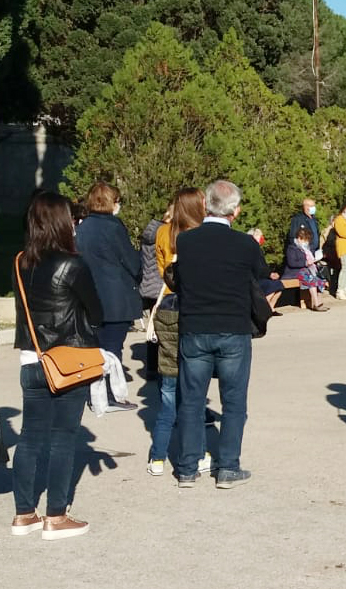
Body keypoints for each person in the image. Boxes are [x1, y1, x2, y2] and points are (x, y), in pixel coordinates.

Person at [12, 192, 103, 539]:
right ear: (64, 222)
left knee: (30, 437)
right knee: (64, 438)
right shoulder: (73, 264)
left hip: (31, 358)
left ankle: (23, 514)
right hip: (67, 360)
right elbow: (97, 312)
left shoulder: (21, 261)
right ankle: (56, 515)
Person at [173, 179, 267, 488]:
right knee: (234, 401)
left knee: (191, 400)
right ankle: (228, 467)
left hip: (195, 327)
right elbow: (260, 278)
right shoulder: (245, 245)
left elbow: (179, 279)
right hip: (233, 328)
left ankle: (187, 468)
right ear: (236, 212)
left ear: (204, 205)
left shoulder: (185, 242)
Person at [146, 187, 212, 478]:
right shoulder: (201, 234)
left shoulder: (163, 233)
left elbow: (164, 271)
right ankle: (198, 452)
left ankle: (157, 457)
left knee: (168, 398)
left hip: (169, 302)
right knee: (194, 399)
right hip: (196, 303)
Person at [75, 182, 141, 411]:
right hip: (115, 297)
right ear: (111, 202)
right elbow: (131, 261)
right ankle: (110, 395)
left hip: (90, 295)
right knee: (113, 349)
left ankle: (93, 393)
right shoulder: (114, 227)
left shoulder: (82, 227)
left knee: (95, 347)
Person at [138, 201, 172, 379]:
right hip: (162, 284)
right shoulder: (166, 234)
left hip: (150, 284)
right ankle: (161, 366)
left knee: (153, 328)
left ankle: (151, 366)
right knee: (166, 329)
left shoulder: (149, 233)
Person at [283, 226, 330, 311]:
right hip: (295, 272)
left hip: (306, 270)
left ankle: (319, 302)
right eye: (305, 240)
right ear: (299, 238)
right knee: (311, 280)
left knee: (320, 280)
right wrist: (305, 263)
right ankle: (316, 304)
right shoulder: (292, 248)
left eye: (307, 240)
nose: (306, 242)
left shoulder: (306, 249)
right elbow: (292, 263)